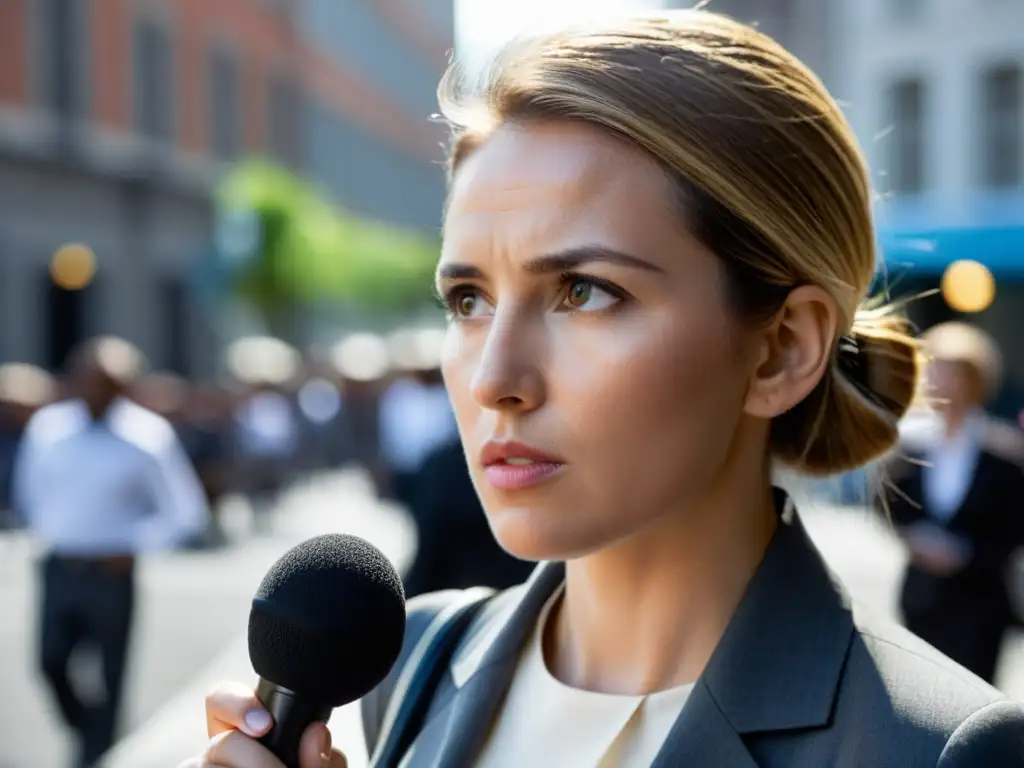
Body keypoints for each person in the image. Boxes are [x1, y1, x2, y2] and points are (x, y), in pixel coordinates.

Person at [182, 11, 1024, 768]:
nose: (494, 379)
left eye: (584, 290)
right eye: (467, 300)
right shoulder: (414, 669)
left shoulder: (935, 751)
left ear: (779, 351)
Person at [14, 337, 209, 767]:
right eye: (90, 380)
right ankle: (90, 734)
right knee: (49, 663)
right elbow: (30, 490)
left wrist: (135, 545)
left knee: (109, 676)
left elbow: (184, 511)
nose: (97, 390)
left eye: (108, 382)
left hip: (111, 572)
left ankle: (96, 754)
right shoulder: (49, 427)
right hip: (60, 565)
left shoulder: (147, 435)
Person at [884, 322, 1024, 684]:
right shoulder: (911, 445)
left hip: (979, 605)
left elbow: (1014, 525)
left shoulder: (1004, 451)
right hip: (921, 599)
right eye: (933, 370)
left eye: (948, 373)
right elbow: (886, 503)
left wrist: (965, 554)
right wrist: (913, 538)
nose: (938, 382)